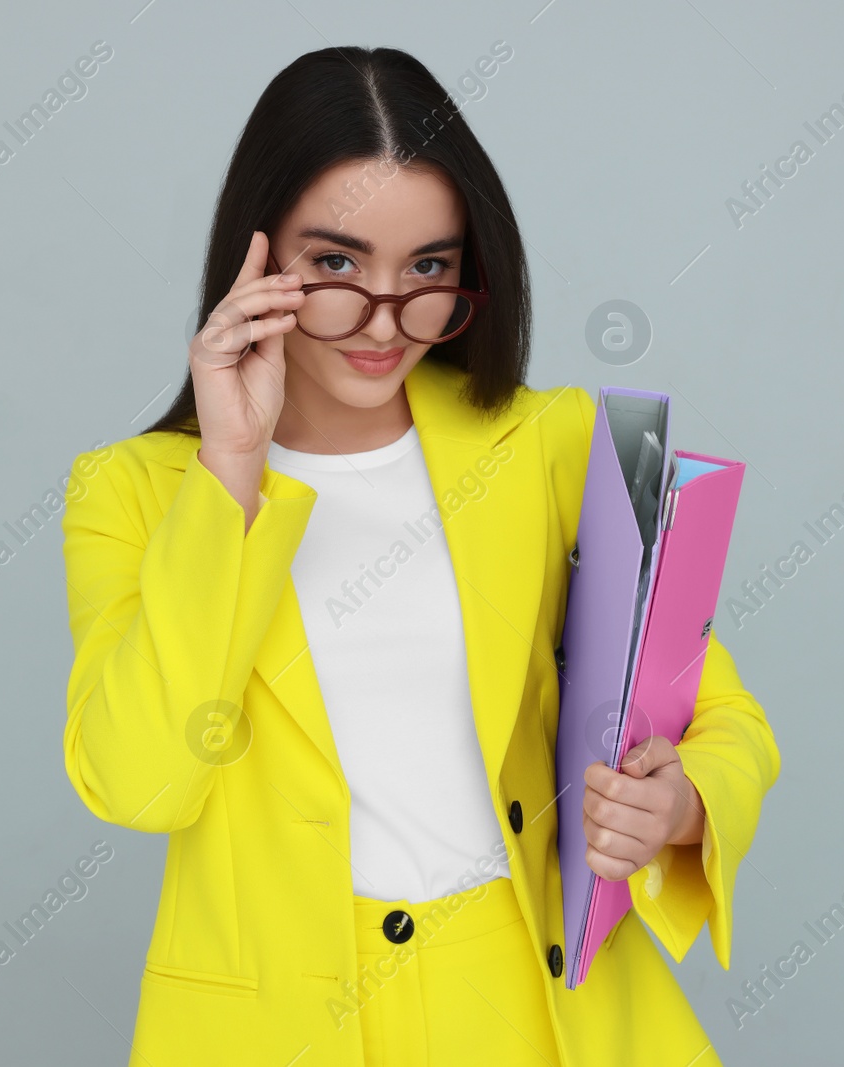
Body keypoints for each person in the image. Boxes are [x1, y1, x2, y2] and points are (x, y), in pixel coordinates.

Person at [59, 44, 780, 1067]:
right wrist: (230, 466)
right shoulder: (133, 492)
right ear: (254, 257)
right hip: (283, 1027)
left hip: (535, 1004)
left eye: (428, 270)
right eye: (337, 265)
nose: (384, 322)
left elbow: (724, 716)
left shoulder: (551, 444)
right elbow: (139, 783)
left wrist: (679, 801)